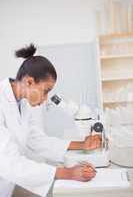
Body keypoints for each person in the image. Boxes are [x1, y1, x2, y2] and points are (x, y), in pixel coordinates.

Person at [0, 44, 101, 197]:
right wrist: (67, 173)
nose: (46, 98)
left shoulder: (22, 103)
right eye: (45, 90)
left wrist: (81, 145)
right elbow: (9, 163)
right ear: (29, 82)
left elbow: (35, 139)